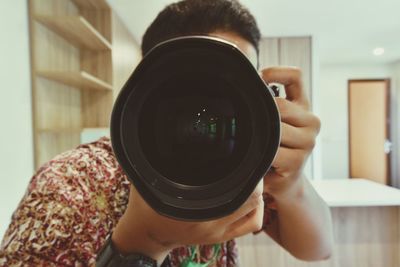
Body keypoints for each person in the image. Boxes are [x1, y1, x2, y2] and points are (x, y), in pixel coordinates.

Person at [0, 0, 333, 266]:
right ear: (144, 81)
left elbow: (317, 250)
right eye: (192, 80)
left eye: (237, 80)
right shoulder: (70, 185)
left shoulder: (251, 159)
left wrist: (291, 183)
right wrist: (146, 241)